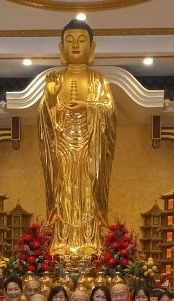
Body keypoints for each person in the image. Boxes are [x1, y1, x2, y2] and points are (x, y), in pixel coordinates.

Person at [39, 19, 116, 258]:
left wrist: (89, 106)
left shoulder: (98, 79)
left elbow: (110, 112)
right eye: (69, 40)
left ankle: (90, 241)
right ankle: (61, 242)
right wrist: (51, 99)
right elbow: (44, 121)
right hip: (62, 146)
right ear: (61, 48)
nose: (75, 45)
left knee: (87, 191)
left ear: (92, 48)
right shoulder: (55, 79)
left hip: (90, 147)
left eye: (81, 40)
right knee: (63, 190)